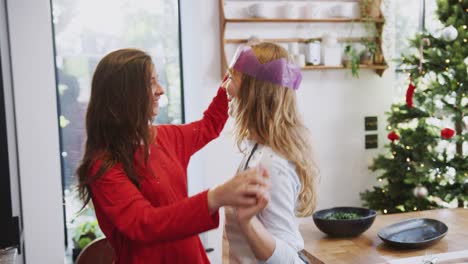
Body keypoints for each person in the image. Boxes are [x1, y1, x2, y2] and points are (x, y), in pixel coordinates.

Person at [76, 48, 270, 264]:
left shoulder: (164, 137)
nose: (160, 90)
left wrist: (233, 74)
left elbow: (209, 125)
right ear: (125, 94)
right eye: (150, 83)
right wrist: (215, 197)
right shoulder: (103, 166)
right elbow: (145, 223)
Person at [222, 42, 318, 263]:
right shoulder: (256, 150)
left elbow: (287, 259)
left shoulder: (271, 163)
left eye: (231, 78)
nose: (225, 87)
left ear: (253, 92)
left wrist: (247, 223)